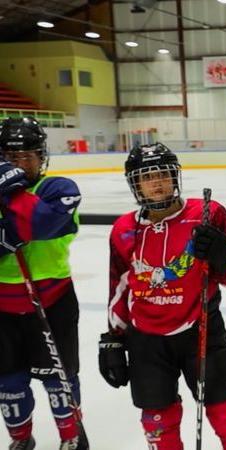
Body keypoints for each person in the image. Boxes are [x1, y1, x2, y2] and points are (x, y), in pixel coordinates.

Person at [98, 143, 226, 450]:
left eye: (162, 173)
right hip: (146, 340)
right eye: (147, 177)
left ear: (175, 177)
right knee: (158, 424)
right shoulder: (123, 230)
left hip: (202, 329)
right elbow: (119, 287)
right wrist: (113, 338)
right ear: (135, 184)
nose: (156, 182)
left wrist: (223, 256)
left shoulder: (207, 215)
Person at [0, 117, 89, 450]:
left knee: (59, 380)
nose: (19, 165)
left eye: (27, 157)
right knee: (9, 383)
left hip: (52, 302)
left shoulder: (59, 188)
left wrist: (10, 193)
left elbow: (42, 224)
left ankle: (71, 435)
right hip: (3, 309)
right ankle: (20, 438)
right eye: (10, 158)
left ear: (42, 157)